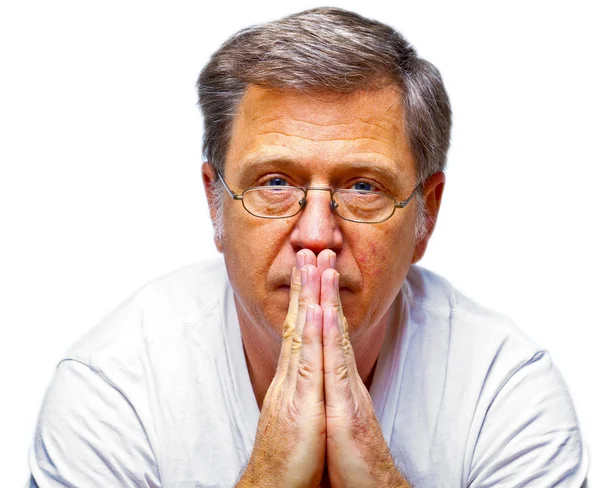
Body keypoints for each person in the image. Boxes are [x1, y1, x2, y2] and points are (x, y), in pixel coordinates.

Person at [29, 7, 588, 487]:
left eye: (363, 186)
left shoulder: (506, 392)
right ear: (215, 204)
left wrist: (376, 474)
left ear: (427, 214)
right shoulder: (109, 391)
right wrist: (269, 476)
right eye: (275, 182)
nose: (317, 233)